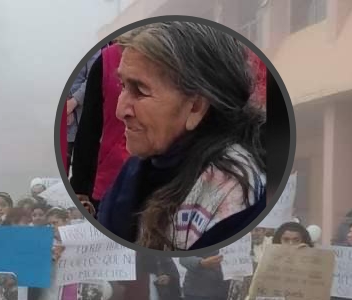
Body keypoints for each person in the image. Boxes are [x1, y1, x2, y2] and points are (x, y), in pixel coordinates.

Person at [95, 22, 267, 251]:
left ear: (195, 107)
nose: (120, 110)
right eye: (122, 85)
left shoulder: (233, 194)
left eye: (140, 90)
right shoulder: (136, 170)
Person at [23, 202, 52, 300]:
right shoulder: (26, 233)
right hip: (31, 282)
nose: (38, 217)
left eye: (41, 214)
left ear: (46, 216)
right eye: (34, 215)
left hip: (47, 281)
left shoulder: (52, 233)